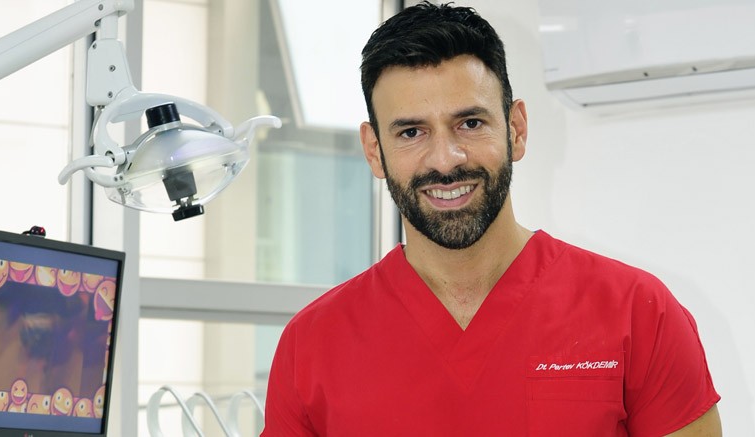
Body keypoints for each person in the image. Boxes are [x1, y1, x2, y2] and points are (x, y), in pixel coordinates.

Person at [263, 2, 722, 436]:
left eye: (470, 123)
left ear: (516, 129)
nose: (445, 159)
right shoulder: (312, 345)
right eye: (411, 132)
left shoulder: (640, 314)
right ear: (374, 150)